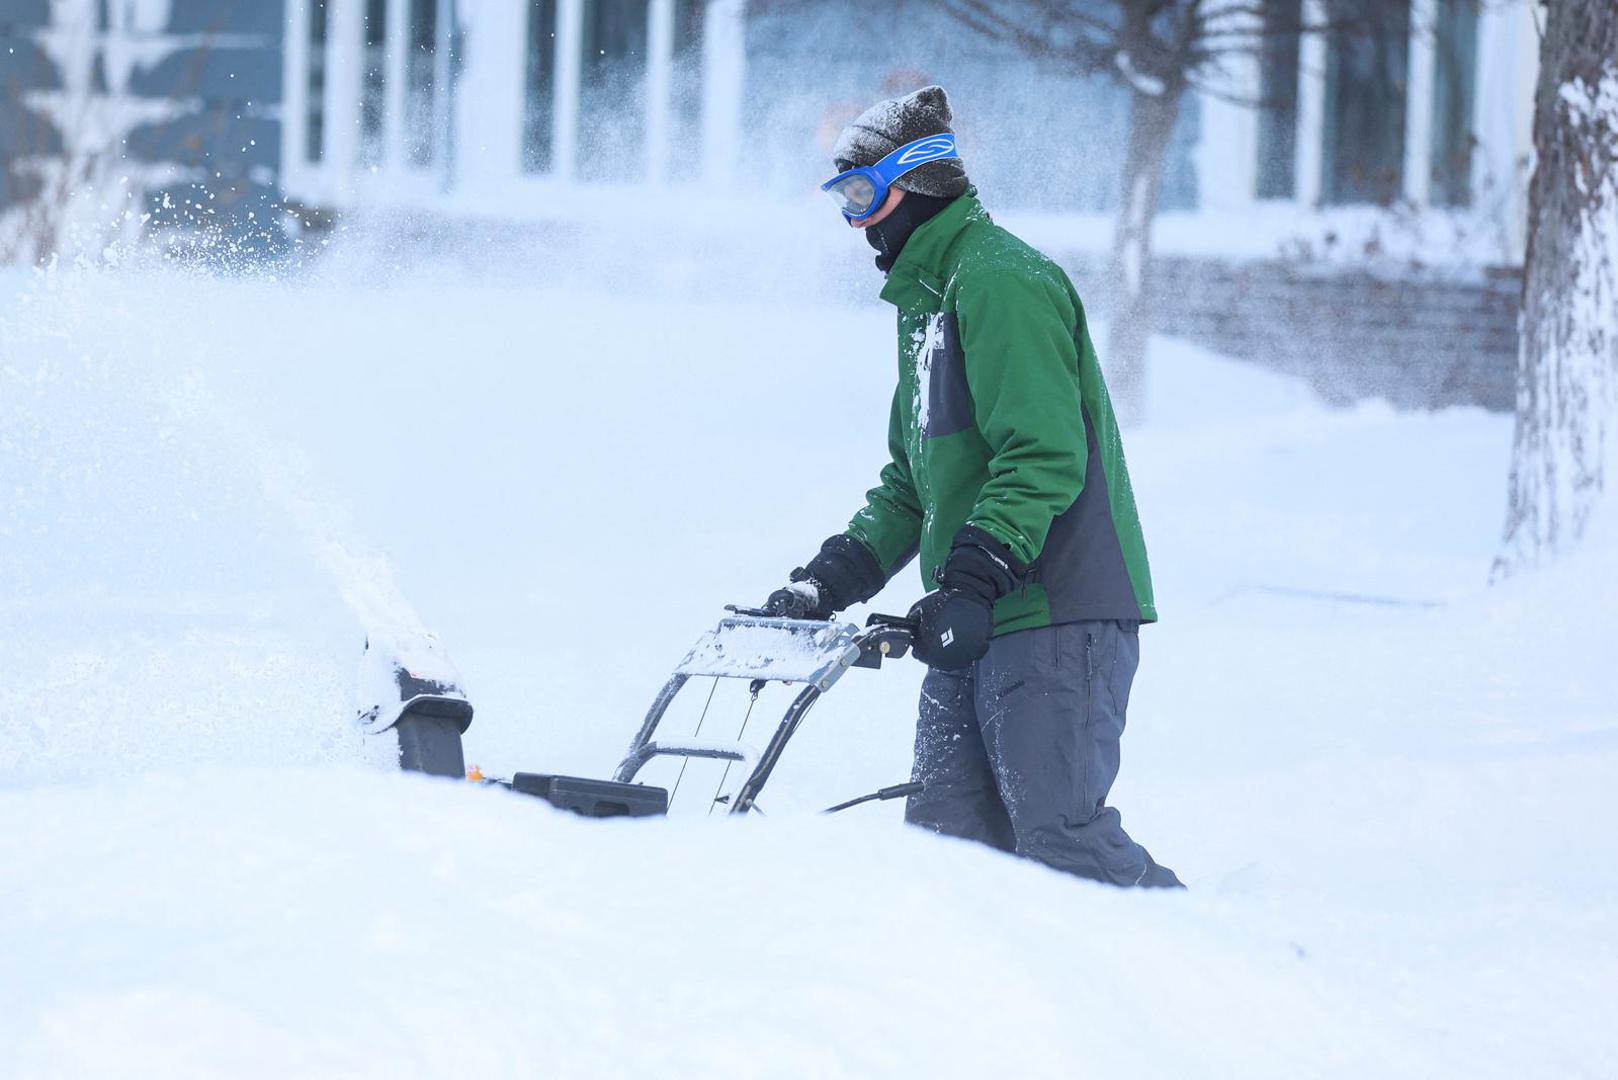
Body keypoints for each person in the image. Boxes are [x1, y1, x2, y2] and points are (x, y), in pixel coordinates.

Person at [765, 85, 1181, 889]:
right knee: (948, 853)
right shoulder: (927, 303)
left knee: (1060, 842)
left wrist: (971, 579)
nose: (857, 224)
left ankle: (1213, 968)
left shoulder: (998, 281)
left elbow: (1042, 455)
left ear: (913, 186)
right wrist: (829, 580)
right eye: (842, 201)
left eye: (862, 197)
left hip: (1053, 610)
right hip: (977, 612)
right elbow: (912, 483)